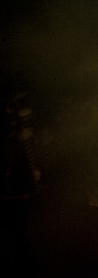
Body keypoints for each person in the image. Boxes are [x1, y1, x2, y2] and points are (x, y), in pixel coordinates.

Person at [1, 92, 41, 270]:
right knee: (16, 223)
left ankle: (22, 255)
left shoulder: (21, 136)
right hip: (13, 186)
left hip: (19, 185)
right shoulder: (11, 138)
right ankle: (21, 258)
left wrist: (34, 170)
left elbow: (28, 154)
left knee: (18, 223)